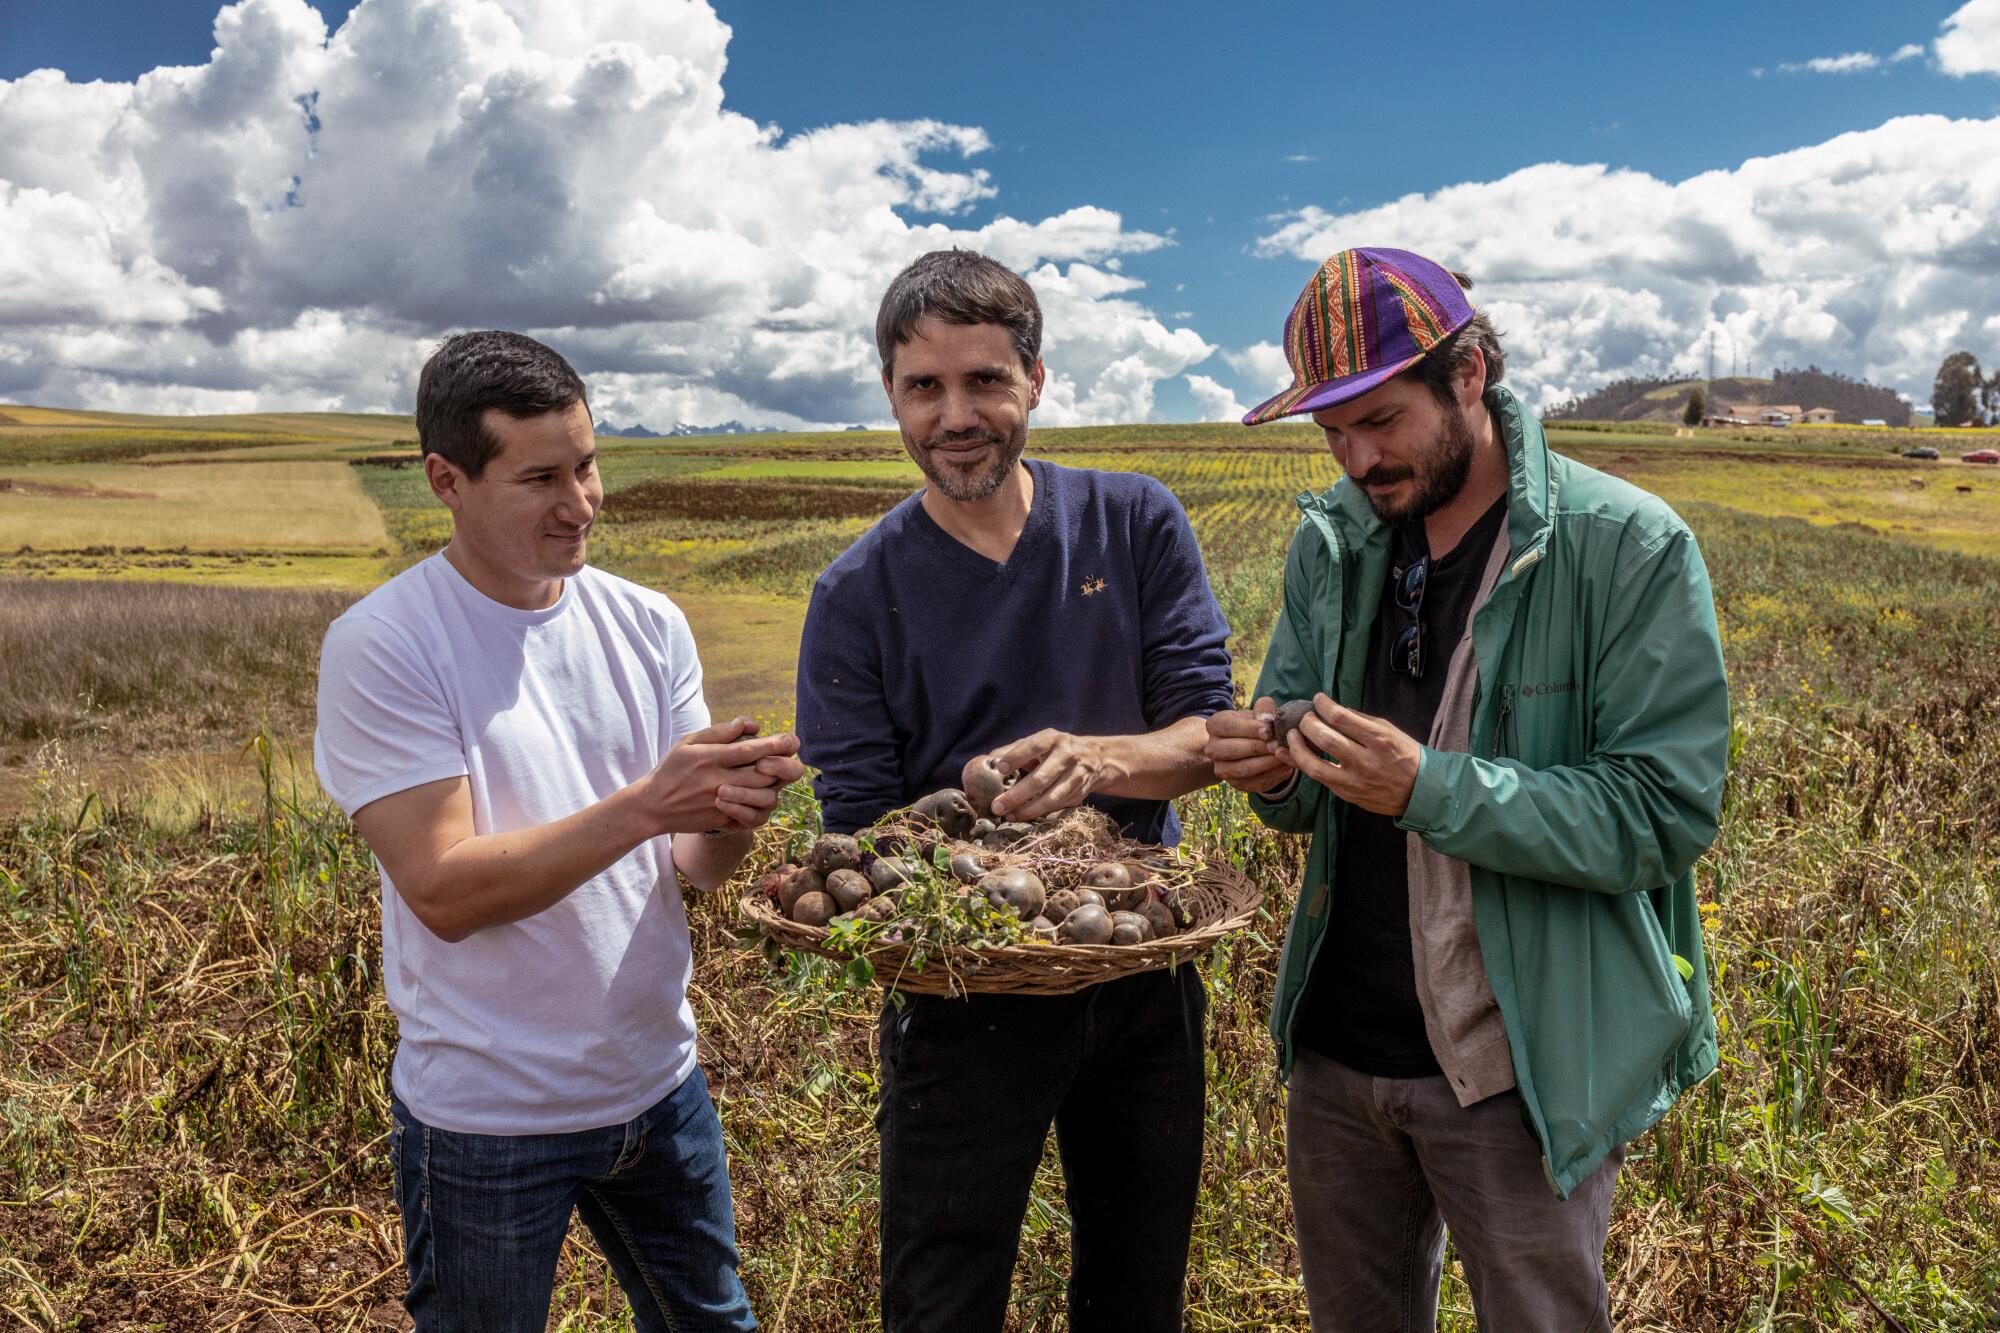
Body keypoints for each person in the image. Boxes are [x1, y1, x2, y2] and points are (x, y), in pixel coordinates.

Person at [1204, 247, 1728, 1331]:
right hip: (1338, 1061)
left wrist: (1431, 789)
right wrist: (1270, 775)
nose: (1355, 458)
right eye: (1330, 431)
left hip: (1516, 1070)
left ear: (1469, 374)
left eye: (1380, 420)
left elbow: (1660, 812)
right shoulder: (1333, 547)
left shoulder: (1620, 548)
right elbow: (1304, 789)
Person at [314, 330, 802, 1332]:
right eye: (539, 477)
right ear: (445, 480)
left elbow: (694, 869)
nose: (579, 503)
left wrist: (734, 813)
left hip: (656, 1083)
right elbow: (444, 891)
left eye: (586, 465)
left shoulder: (647, 621)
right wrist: (645, 806)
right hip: (487, 1117)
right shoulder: (386, 644)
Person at [795, 249, 1235, 1332]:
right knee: (942, 1300)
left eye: (984, 380)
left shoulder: (1132, 523)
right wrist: (972, 819)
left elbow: (1208, 731)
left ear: (1034, 381)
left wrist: (1099, 760)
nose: (956, 414)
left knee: (1137, 1293)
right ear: (891, 397)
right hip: (958, 993)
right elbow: (859, 834)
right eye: (923, 387)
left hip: (1139, 962)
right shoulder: (856, 594)